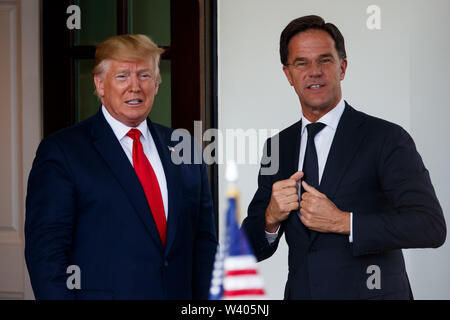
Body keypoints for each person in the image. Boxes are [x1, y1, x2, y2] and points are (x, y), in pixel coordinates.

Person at [242, 15, 446, 299]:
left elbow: (430, 227)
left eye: (325, 60)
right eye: (302, 62)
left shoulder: (387, 138)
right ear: (288, 74)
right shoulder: (277, 146)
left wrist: (344, 222)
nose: (314, 71)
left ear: (343, 67)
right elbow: (247, 249)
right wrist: (271, 218)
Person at [25, 34, 217, 299]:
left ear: (157, 84)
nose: (135, 87)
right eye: (123, 76)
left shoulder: (184, 147)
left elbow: (204, 243)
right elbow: (46, 254)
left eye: (145, 76)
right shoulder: (62, 152)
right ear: (100, 84)